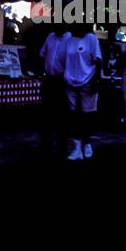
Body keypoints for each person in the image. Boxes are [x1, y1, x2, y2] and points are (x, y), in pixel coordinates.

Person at [60, 24, 102, 160]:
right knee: (73, 116)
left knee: (86, 115)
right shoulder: (69, 39)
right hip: (70, 82)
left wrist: (96, 81)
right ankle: (76, 148)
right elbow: (63, 59)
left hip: (87, 81)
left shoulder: (90, 38)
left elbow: (99, 60)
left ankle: (87, 144)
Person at [38, 24, 71, 156]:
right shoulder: (50, 36)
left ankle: (61, 145)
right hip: (49, 79)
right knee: (46, 112)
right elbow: (42, 54)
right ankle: (46, 144)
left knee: (61, 113)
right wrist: (42, 73)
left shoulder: (69, 39)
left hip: (61, 80)